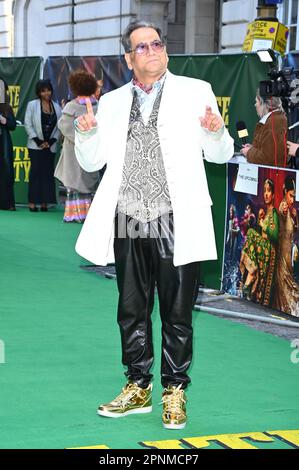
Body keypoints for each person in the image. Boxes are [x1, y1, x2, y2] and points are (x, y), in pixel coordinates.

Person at [74, 20, 234, 430]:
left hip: (178, 217)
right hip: (127, 216)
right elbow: (93, 163)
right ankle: (138, 386)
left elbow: (220, 154)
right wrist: (85, 133)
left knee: (178, 311)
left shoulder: (195, 92)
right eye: (142, 47)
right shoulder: (109, 103)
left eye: (157, 44)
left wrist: (215, 133)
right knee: (131, 308)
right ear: (128, 59)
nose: (152, 51)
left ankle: (174, 391)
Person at [55, 70, 100, 223]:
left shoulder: (71, 106)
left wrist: (79, 138)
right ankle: (88, 215)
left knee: (74, 182)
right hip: (91, 148)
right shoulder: (97, 105)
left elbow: (64, 125)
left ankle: (74, 215)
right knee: (87, 181)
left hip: (73, 150)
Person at [239, 178, 279, 306]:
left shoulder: (274, 213)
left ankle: (252, 272)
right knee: (250, 232)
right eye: (265, 191)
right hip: (262, 249)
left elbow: (275, 235)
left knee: (250, 233)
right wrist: (260, 219)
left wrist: (263, 225)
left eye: (269, 191)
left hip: (268, 250)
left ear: (273, 195)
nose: (266, 194)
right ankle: (251, 273)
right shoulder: (265, 212)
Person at [24, 79, 61, 212]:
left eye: (48, 90)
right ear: (39, 92)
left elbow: (59, 126)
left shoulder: (57, 107)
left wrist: (51, 141)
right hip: (35, 146)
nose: (47, 93)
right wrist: (38, 141)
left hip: (50, 146)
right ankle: (32, 202)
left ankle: (45, 203)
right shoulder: (32, 105)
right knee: (35, 173)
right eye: (43, 90)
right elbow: (28, 124)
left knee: (48, 174)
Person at [240, 89, 288, 167]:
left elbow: (267, 159)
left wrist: (249, 152)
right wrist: (252, 149)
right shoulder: (273, 120)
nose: (255, 105)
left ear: (264, 103)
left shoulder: (274, 122)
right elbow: (269, 151)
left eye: (256, 101)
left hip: (270, 176)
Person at [273, 176, 299, 316]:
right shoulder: (283, 206)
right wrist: (285, 210)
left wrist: (295, 218)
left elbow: (293, 231)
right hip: (283, 255)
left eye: (294, 197)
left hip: (289, 255)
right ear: (285, 192)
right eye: (291, 196)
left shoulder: (290, 210)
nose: (292, 200)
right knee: (286, 286)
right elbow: (281, 214)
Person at [0, 79, 17, 211]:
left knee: (6, 173)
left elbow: (13, 125)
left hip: (4, 144)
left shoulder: (7, 107)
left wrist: (4, 120)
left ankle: (7, 203)